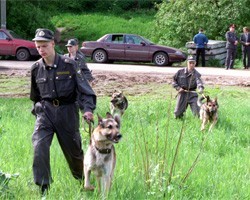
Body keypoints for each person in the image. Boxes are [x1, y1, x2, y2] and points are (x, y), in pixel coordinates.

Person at [30, 28, 96, 196]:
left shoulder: (70, 65)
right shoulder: (36, 68)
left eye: (44, 46)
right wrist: (38, 111)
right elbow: (35, 96)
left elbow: (86, 91)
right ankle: (43, 188)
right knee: (39, 147)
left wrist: (87, 110)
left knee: (74, 154)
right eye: (38, 47)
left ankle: (84, 181)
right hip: (45, 113)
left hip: (67, 113)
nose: (41, 50)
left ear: (53, 44)